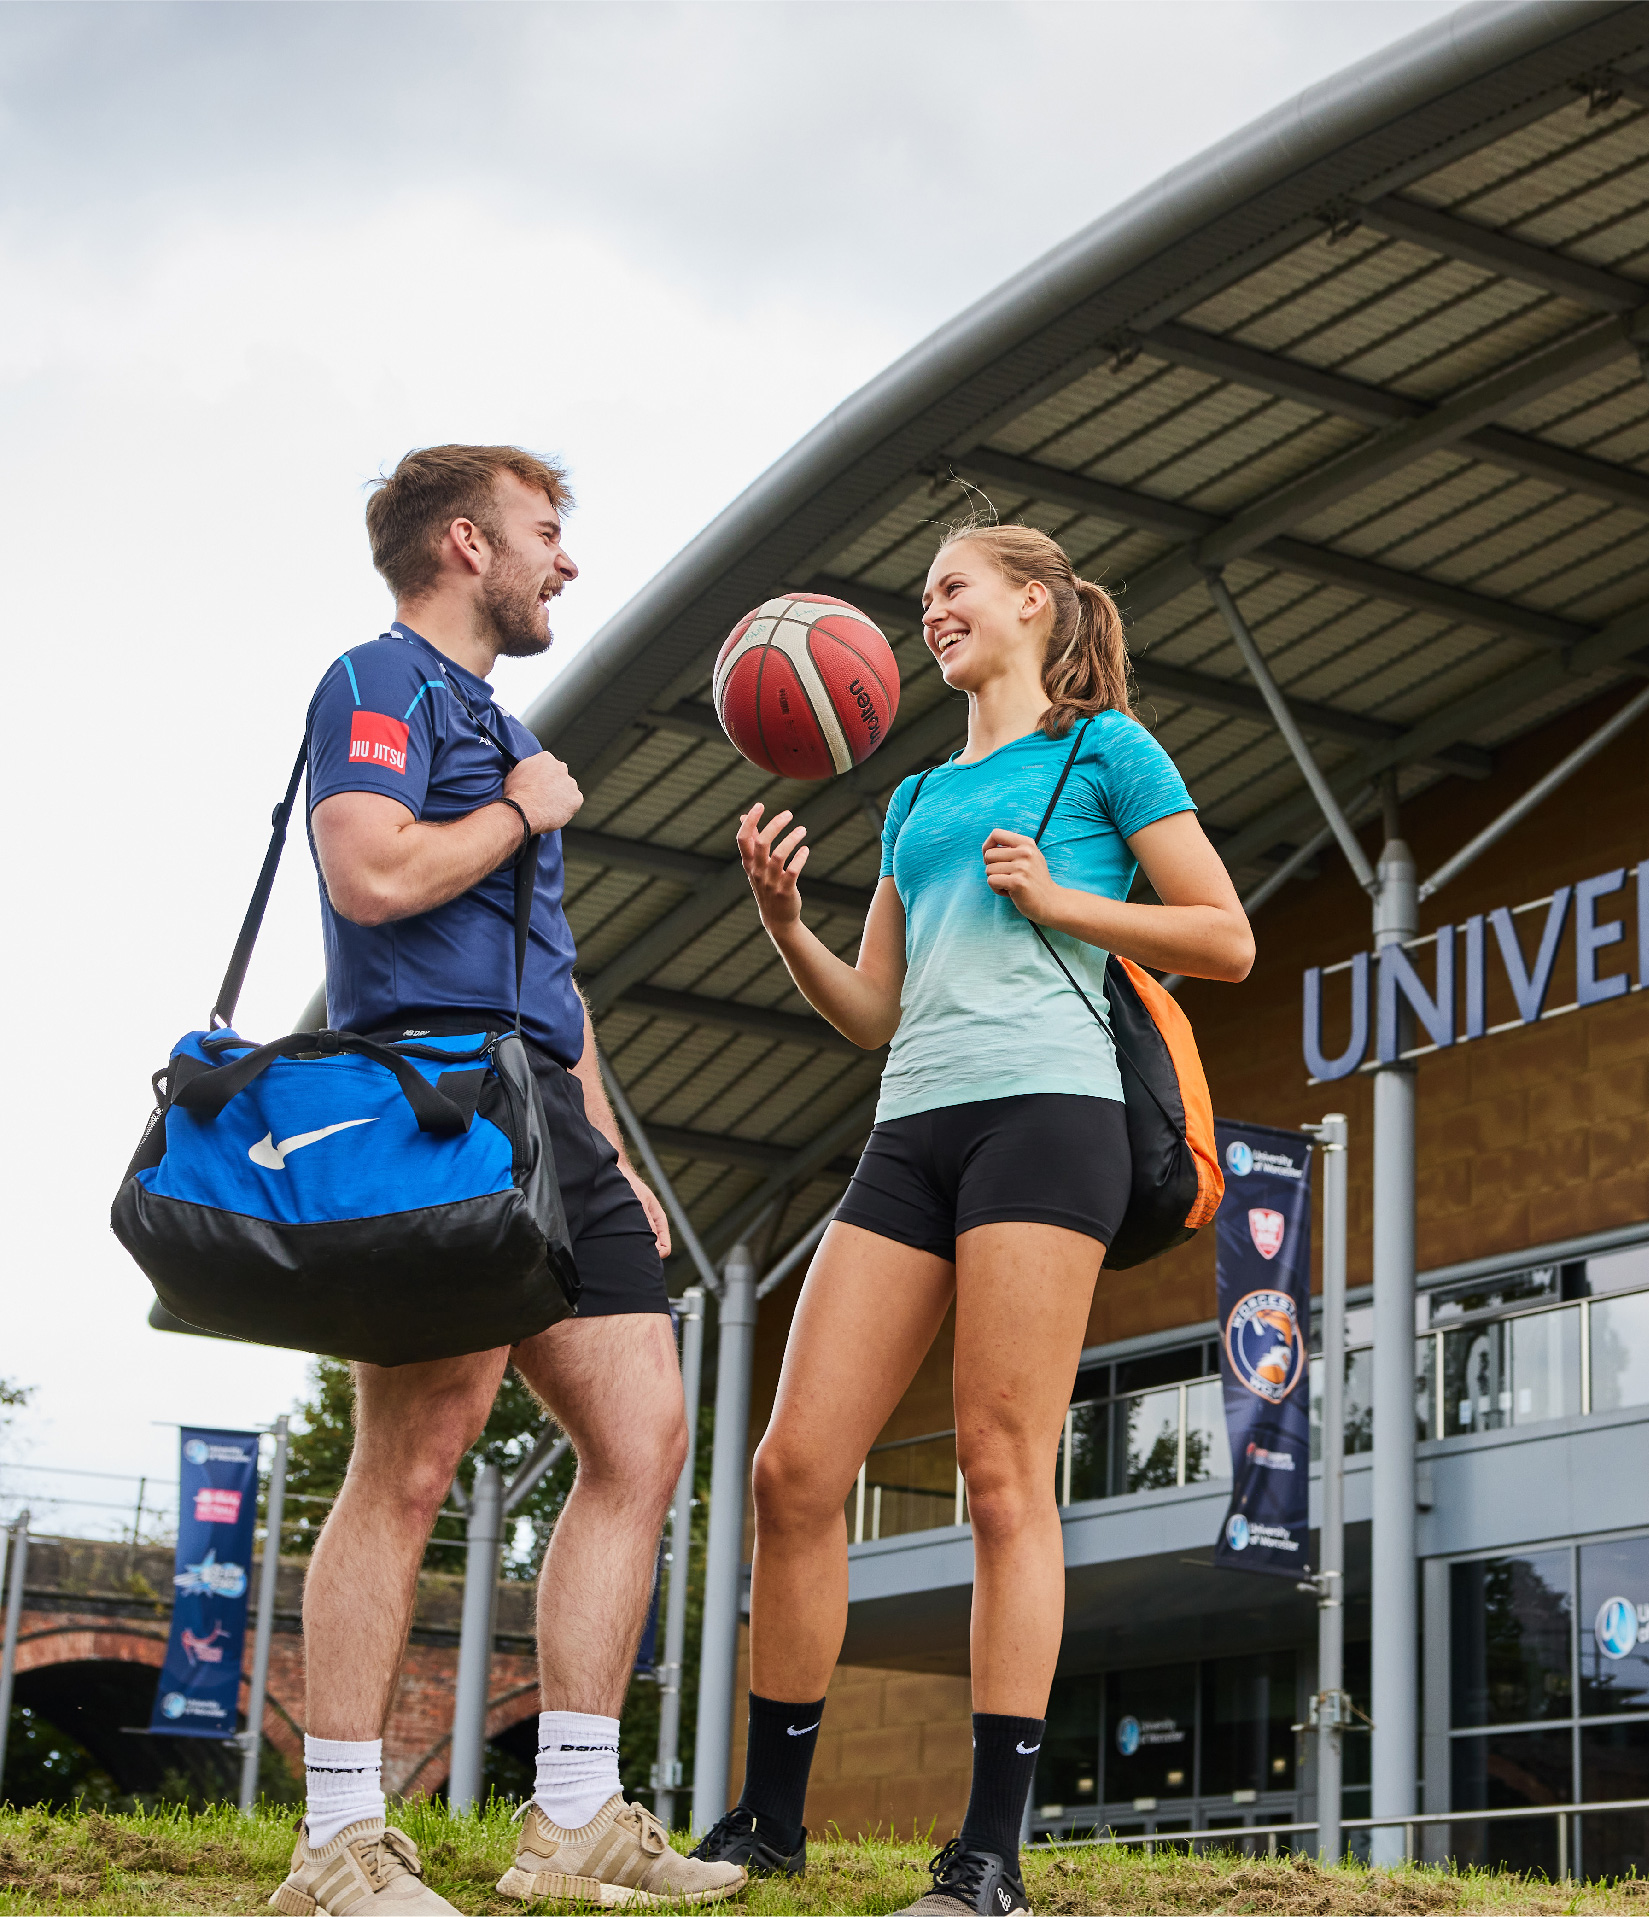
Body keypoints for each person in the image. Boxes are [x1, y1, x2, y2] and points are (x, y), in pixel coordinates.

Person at [694, 524, 1253, 1916]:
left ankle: (988, 1855)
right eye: (923, 595)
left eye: (953, 586)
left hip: (1048, 1120)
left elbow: (1226, 935)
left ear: (1031, 604)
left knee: (1004, 1472)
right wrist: (786, 928)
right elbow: (877, 1009)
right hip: (912, 1125)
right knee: (791, 1469)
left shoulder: (1107, 753)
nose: (930, 609)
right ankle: (767, 1822)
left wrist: (1062, 898)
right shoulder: (914, 803)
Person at [270, 445, 747, 1915]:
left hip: (545, 1107)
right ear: (468, 543)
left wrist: (604, 1138)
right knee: (415, 1456)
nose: (569, 562)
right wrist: (524, 813)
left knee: (643, 1430)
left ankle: (578, 1816)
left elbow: (552, 973)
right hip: (427, 1101)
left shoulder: (497, 718)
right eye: (549, 533)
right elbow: (371, 875)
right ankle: (338, 1842)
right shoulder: (374, 680)